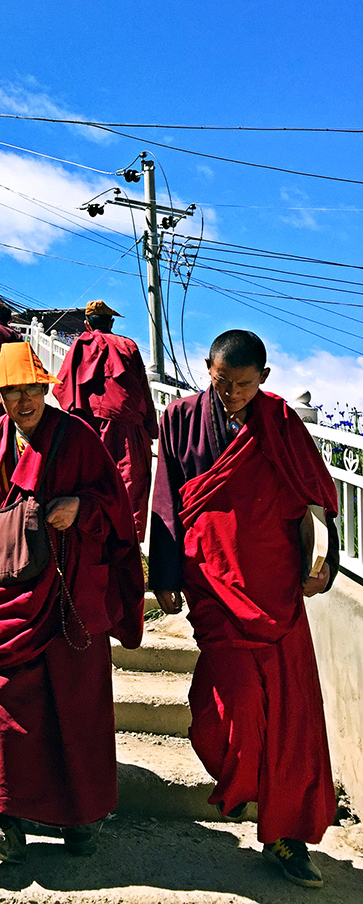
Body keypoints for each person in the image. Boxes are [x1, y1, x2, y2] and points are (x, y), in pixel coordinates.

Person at [148, 330, 340, 888]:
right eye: (221, 381)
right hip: (212, 584)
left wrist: (322, 566)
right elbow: (166, 497)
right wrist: (164, 574)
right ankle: (241, 785)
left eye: (243, 384)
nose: (231, 393)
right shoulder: (181, 418)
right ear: (206, 368)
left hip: (275, 592)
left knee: (290, 719)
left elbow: (320, 500)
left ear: (265, 379)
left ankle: (287, 836)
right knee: (224, 713)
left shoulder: (279, 422)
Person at [0, 342, 144, 864]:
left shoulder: (80, 438)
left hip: (68, 597)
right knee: (3, 706)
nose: (22, 401)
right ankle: (4, 822)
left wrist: (82, 506)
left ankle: (80, 816)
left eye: (31, 389)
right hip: (4, 596)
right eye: (10, 391)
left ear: (47, 388)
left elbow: (116, 509)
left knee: (76, 709)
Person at [53, 300, 158, 538]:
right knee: (130, 484)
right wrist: (151, 427)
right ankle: (126, 541)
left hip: (89, 427)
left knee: (90, 480)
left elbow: (62, 388)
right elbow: (142, 387)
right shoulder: (127, 344)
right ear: (111, 323)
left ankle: (92, 537)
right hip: (129, 427)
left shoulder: (81, 343)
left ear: (87, 324)